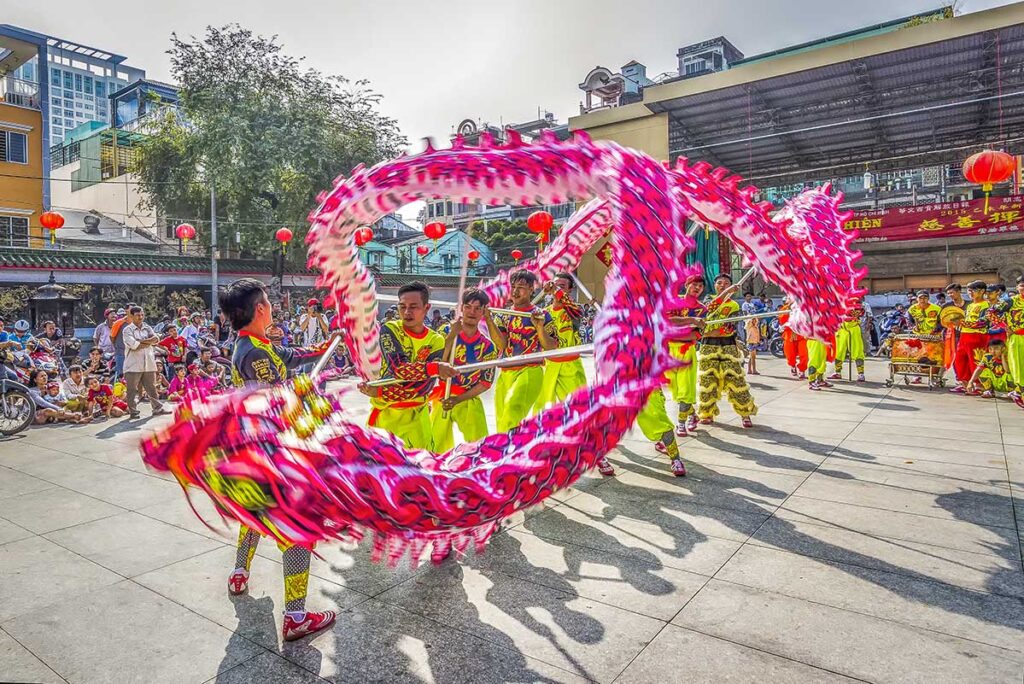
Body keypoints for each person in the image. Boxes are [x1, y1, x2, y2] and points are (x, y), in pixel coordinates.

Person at [219, 277, 340, 642]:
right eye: (269, 302)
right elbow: (280, 401)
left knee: (253, 514)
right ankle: (296, 616)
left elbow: (288, 357)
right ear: (260, 309)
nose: (272, 306)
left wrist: (323, 347)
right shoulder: (252, 353)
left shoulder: (255, 343)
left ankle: (240, 571)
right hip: (271, 452)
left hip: (252, 448)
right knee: (298, 529)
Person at [359, 281, 456, 449]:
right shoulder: (390, 329)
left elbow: (424, 386)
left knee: (419, 470)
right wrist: (435, 368)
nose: (406, 312)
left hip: (417, 417)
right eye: (402, 306)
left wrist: (382, 392)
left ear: (427, 307)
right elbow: (398, 368)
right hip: (387, 415)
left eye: (413, 307)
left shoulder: (435, 340)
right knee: (379, 470)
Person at [430, 288, 498, 452]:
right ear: (461, 308)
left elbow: (485, 383)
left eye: (477, 308)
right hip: (442, 396)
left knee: (481, 447)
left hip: (468, 398)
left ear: (483, 311)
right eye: (468, 307)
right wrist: (451, 337)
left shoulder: (488, 346)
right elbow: (438, 365)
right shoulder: (444, 332)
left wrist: (458, 400)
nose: (472, 312)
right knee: (434, 447)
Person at [491, 270, 557, 433]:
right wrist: (488, 320)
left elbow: (551, 348)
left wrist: (539, 327)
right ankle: (509, 451)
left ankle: (510, 451)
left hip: (530, 370)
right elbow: (501, 345)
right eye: (513, 286)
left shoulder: (542, 315)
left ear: (531, 290)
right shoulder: (504, 315)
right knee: (501, 421)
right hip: (505, 372)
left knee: (512, 413)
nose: (515, 291)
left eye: (520, 287)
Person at [696, 274, 756, 427]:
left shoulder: (734, 305)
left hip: (728, 345)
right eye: (720, 283)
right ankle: (706, 413)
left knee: (736, 380)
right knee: (707, 381)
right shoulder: (707, 299)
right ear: (715, 285)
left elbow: (729, 328)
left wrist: (717, 330)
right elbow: (709, 309)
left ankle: (745, 413)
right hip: (708, 345)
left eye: (727, 283)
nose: (723, 285)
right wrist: (725, 293)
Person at [534, 272, 589, 411]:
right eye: (555, 285)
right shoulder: (544, 313)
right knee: (542, 410)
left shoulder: (574, 310)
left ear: (570, 289)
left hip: (570, 365)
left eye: (562, 286)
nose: (556, 289)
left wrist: (555, 290)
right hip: (549, 364)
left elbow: (577, 312)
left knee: (578, 408)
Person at [667, 275, 707, 436]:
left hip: (686, 351)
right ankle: (692, 414)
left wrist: (672, 334)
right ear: (687, 285)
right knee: (676, 391)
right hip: (668, 351)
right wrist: (691, 320)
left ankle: (681, 422)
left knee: (685, 390)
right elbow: (669, 321)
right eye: (694, 284)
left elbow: (695, 336)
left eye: (700, 286)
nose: (697, 288)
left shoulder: (702, 309)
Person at [121, 306, 168, 419]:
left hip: (149, 362)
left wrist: (142, 342)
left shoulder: (147, 327)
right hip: (133, 364)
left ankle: (157, 408)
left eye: (142, 315)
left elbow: (156, 339)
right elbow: (134, 346)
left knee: (151, 387)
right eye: (137, 315)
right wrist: (148, 342)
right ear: (131, 316)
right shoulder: (127, 330)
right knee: (132, 389)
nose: (140, 317)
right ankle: (133, 411)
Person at [951, 280, 991, 393]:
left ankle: (980, 386)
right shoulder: (970, 305)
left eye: (974, 290)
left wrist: (962, 323)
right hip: (964, 335)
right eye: (969, 290)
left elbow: (983, 322)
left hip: (977, 336)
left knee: (975, 361)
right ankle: (965, 383)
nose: (971, 293)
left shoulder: (986, 305)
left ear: (982, 291)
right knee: (959, 360)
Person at [830, 297, 867, 382]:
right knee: (838, 351)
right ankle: (837, 372)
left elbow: (857, 312)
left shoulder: (857, 304)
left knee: (857, 351)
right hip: (841, 329)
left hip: (853, 328)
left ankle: (861, 374)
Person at [777, 298, 808, 379]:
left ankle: (802, 370)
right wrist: (789, 310)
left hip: (802, 335)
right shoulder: (785, 309)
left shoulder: (805, 307)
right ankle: (792, 365)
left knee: (804, 354)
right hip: (789, 334)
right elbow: (782, 320)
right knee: (790, 354)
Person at [1006, 275, 1024, 407]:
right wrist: (1005, 327)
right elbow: (992, 313)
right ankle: (1019, 391)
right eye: (1022, 285)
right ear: (1017, 287)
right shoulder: (1010, 302)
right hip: (1016, 338)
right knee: (1018, 366)